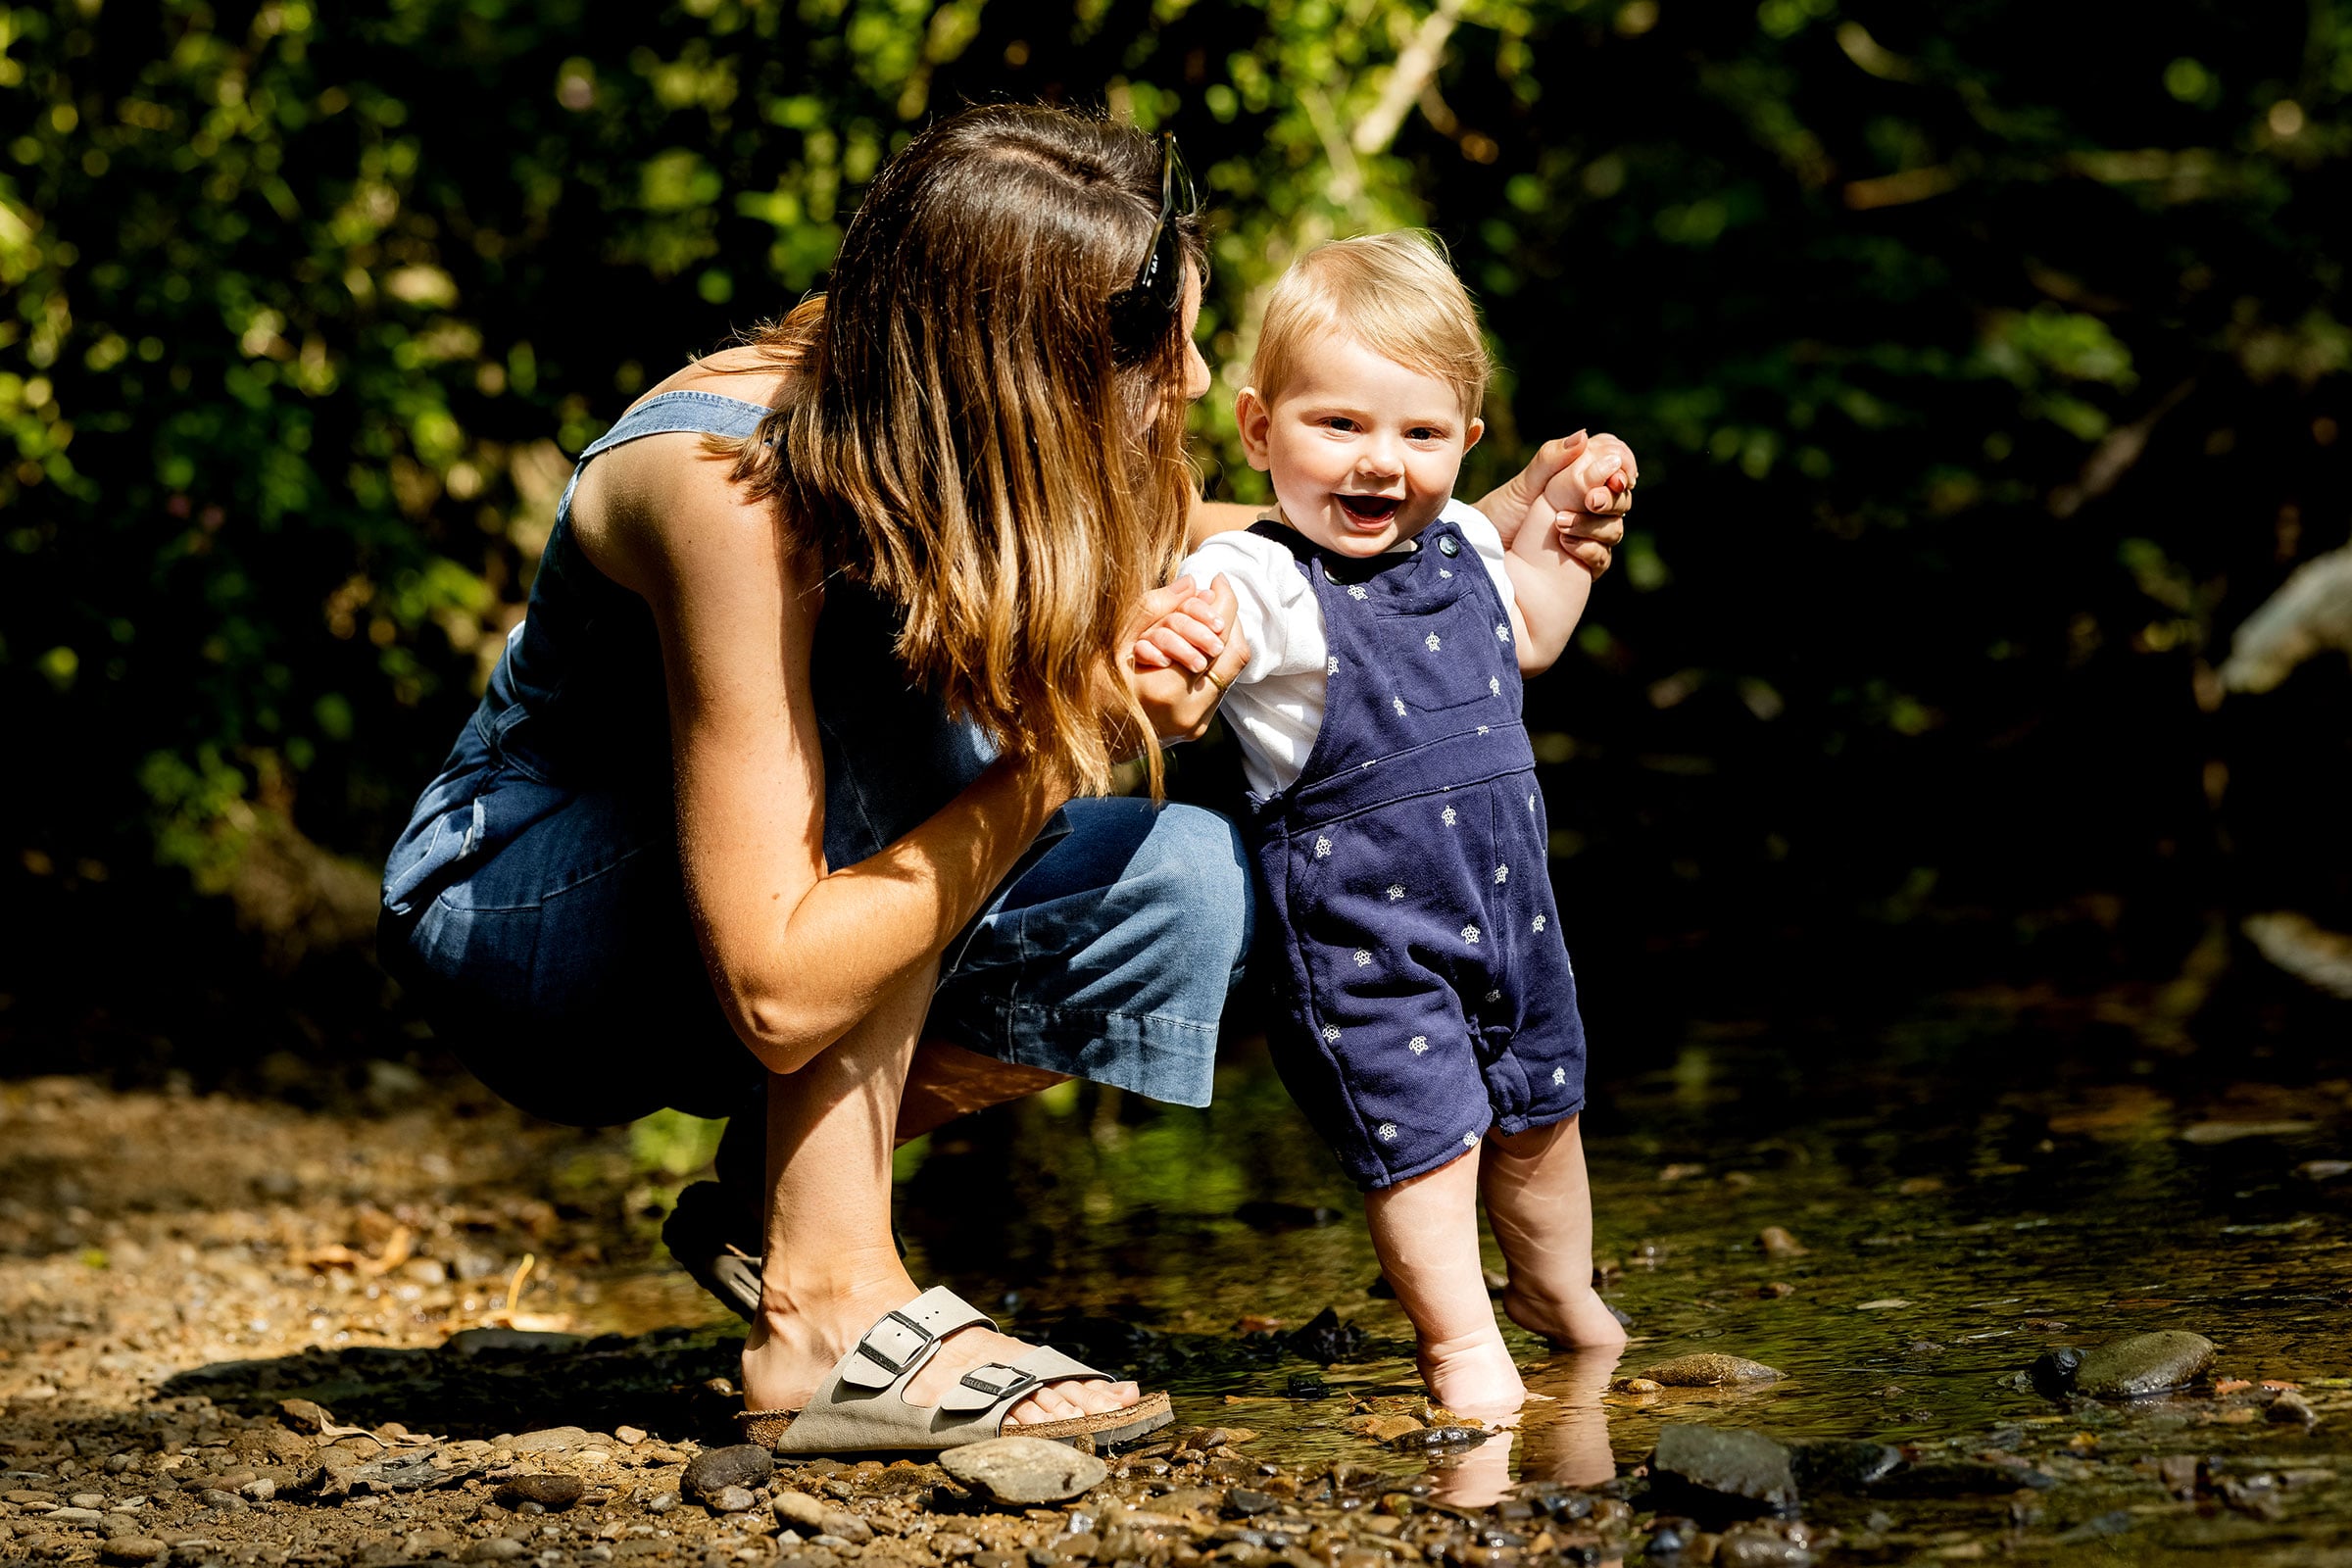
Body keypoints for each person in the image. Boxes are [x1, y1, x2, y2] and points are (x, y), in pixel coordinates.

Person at [379, 108, 1634, 1453]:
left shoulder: (958, 422)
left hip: (767, 908)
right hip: (531, 926)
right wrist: (1063, 741)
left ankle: (771, 1199)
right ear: (1021, 366)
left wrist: (1469, 537)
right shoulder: (730, 490)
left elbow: (1224, 532)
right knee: (901, 680)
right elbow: (778, 986)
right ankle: (827, 1311)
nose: (1202, 385)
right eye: (1172, 350)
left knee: (1191, 888)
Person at [1133, 231, 1633, 1420]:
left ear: (1464, 445)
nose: (1378, 464)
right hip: (1366, 948)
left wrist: (1561, 532)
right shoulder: (1262, 577)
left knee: (1544, 1118)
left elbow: (1532, 634)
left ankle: (1564, 1298)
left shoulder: (1462, 539)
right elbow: (1209, 623)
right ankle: (1461, 1342)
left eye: (1417, 435)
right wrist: (1174, 644)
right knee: (1431, 1148)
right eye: (1338, 426)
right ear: (1259, 432)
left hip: (1514, 918)